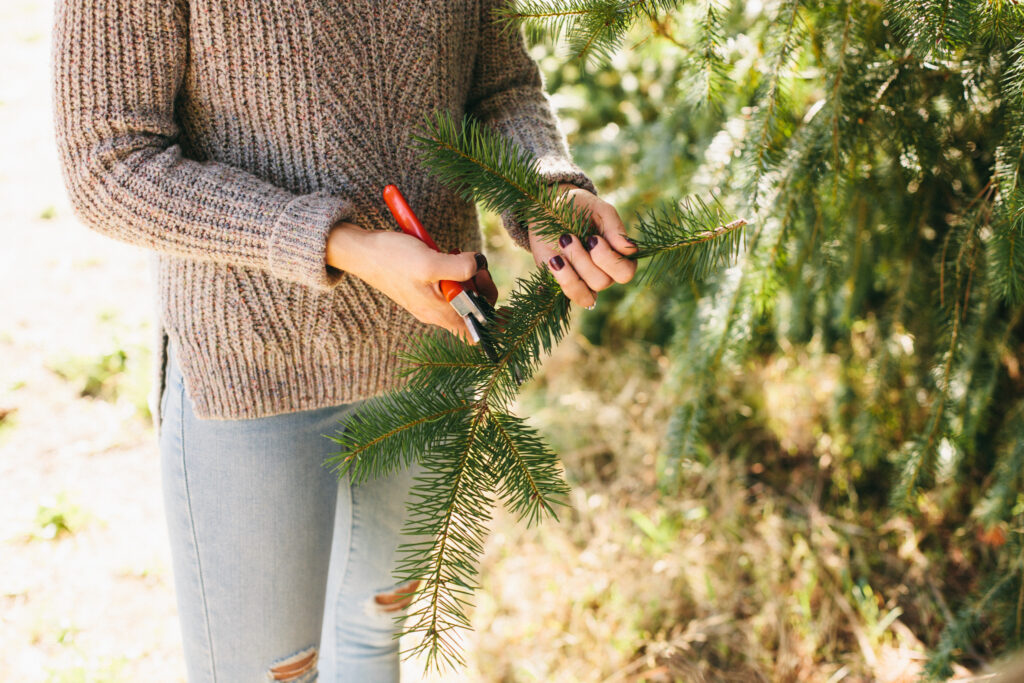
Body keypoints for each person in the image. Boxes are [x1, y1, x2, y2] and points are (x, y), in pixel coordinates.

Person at [52, 1, 637, 680]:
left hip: (429, 351)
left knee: (372, 634)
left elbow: (499, 85)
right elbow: (110, 163)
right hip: (255, 366)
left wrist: (542, 191)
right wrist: (338, 244)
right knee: (276, 671)